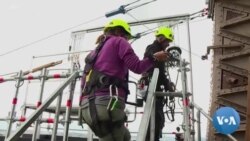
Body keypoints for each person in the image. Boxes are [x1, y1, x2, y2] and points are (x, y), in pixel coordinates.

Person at [79, 19, 169, 141]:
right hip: (106, 104)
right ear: (119, 31)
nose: (127, 40)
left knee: (125, 137)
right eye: (127, 36)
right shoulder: (119, 41)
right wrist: (153, 58)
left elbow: (84, 81)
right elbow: (137, 67)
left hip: (86, 107)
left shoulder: (95, 51)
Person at [142, 26, 175, 141]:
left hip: (156, 89)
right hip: (151, 88)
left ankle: (153, 138)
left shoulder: (160, 52)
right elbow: (150, 54)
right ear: (161, 39)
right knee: (156, 119)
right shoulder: (152, 47)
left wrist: (168, 86)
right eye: (167, 42)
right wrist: (156, 56)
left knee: (158, 119)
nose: (168, 45)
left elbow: (161, 74)